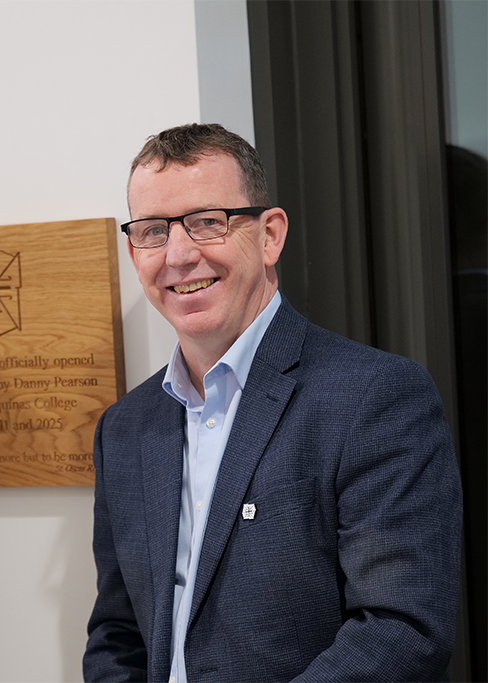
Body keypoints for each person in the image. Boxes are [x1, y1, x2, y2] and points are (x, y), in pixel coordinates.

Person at [83, 123, 462, 681]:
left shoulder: (374, 397)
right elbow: (116, 634)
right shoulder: (124, 428)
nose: (179, 255)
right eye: (152, 231)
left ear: (270, 236)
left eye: (207, 223)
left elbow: (400, 631)